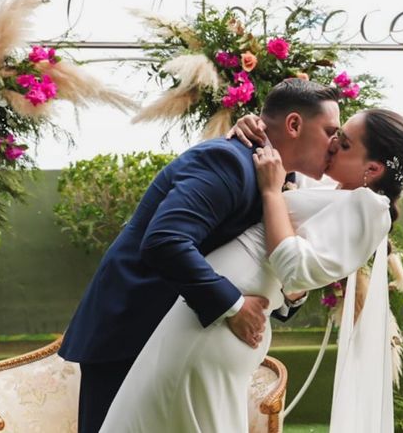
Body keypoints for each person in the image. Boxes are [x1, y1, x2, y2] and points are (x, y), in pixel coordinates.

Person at [99, 108, 403, 433]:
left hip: (218, 329)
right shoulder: (335, 193)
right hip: (210, 318)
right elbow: (287, 161)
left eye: (345, 143)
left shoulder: (370, 208)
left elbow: (295, 269)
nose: (333, 144)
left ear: (373, 168)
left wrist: (270, 191)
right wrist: (258, 127)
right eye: (335, 134)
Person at [58, 79, 343, 433]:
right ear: (295, 124)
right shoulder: (228, 161)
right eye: (330, 130)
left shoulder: (286, 179)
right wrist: (235, 306)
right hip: (132, 333)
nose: (336, 143)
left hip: (183, 350)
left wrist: (289, 294)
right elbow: (165, 240)